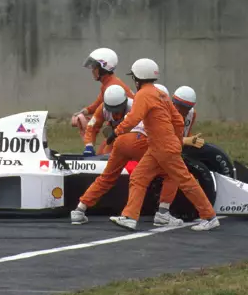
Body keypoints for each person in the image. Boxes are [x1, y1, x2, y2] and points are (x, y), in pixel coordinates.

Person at [110, 59, 221, 232]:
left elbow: (133, 118)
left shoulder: (143, 95)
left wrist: (116, 132)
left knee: (185, 180)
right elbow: (177, 119)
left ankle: (209, 216)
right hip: (158, 146)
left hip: (161, 147)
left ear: (139, 77)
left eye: (134, 77)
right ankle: (130, 217)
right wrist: (176, 141)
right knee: (138, 177)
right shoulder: (160, 94)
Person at [69, 85, 183, 228]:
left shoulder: (137, 102)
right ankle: (163, 213)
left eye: (118, 109)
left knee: (107, 177)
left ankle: (79, 209)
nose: (115, 114)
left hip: (121, 140)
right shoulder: (161, 107)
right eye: (112, 110)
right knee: (171, 173)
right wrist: (88, 145)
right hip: (138, 141)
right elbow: (93, 126)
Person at [73, 48, 134, 155]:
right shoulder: (109, 84)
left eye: (94, 67)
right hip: (118, 129)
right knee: (103, 152)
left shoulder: (112, 86)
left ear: (103, 68)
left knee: (107, 153)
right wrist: (85, 111)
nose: (92, 70)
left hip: (130, 131)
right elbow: (98, 106)